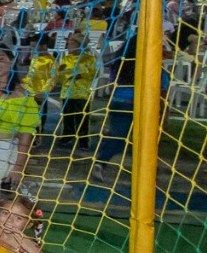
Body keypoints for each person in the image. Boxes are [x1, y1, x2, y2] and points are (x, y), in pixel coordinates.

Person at [90, 36, 169, 185]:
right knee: (146, 141)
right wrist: (164, 113)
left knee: (120, 137)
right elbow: (162, 90)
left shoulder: (121, 62)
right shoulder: (153, 65)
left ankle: (101, 161)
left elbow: (111, 85)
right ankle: (149, 174)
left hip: (118, 103)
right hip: (138, 105)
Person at [0, 46, 38, 229]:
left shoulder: (21, 95)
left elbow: (26, 135)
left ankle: (0, 236)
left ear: (11, 62)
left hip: (3, 150)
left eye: (1, 59)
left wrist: (18, 168)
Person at [53, 33, 99, 154]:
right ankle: (67, 136)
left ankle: (83, 140)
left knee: (82, 117)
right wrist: (60, 72)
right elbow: (60, 77)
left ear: (80, 46)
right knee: (67, 116)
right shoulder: (66, 59)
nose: (69, 46)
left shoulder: (89, 59)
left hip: (81, 93)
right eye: (68, 43)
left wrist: (80, 75)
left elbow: (94, 73)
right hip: (67, 92)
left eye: (72, 44)